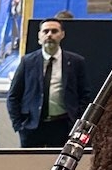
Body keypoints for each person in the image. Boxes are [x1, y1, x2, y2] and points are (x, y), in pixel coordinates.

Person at [6, 17, 92, 148]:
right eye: (45, 31)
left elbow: (85, 94)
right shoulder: (27, 62)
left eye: (54, 31)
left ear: (62, 34)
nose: (49, 35)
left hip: (63, 126)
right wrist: (19, 125)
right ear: (39, 36)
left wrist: (76, 121)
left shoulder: (76, 62)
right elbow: (13, 96)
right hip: (33, 127)